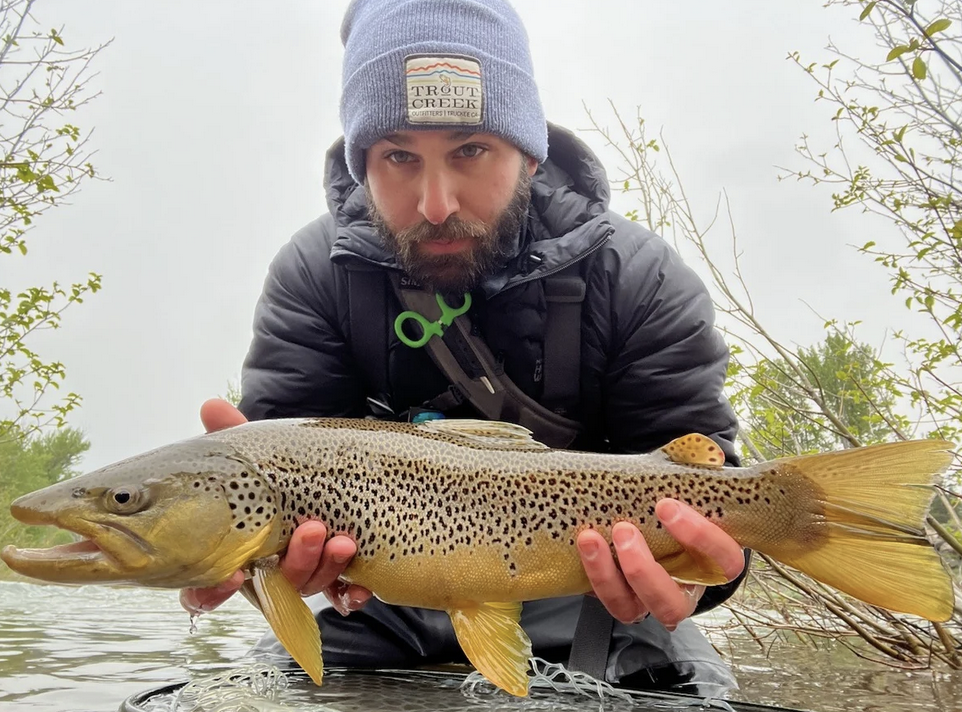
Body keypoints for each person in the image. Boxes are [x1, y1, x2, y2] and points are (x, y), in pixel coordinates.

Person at [182, 0, 749, 694]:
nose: (435, 203)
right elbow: (279, 487)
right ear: (362, 163)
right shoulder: (316, 275)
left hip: (594, 597)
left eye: (470, 150)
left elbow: (707, 481)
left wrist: (703, 580)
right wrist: (244, 564)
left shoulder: (638, 278)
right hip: (376, 603)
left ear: (530, 153)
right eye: (398, 157)